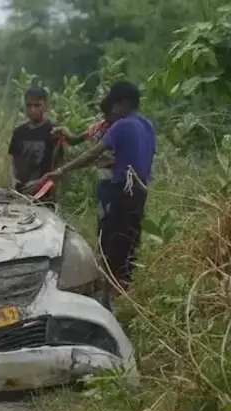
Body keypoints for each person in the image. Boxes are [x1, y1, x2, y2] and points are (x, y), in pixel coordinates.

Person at [33, 81, 156, 310]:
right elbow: (141, 158)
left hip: (118, 191)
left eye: (115, 103)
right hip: (140, 192)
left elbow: (92, 153)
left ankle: (108, 300)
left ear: (124, 103)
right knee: (130, 240)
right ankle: (124, 294)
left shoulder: (121, 125)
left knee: (109, 242)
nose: (112, 109)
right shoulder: (146, 125)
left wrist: (62, 170)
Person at [52, 98, 118, 234]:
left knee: (117, 221)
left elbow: (91, 155)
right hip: (105, 180)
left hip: (121, 182)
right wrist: (64, 132)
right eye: (104, 114)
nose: (106, 118)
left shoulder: (122, 130)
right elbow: (75, 140)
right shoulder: (100, 127)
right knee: (104, 219)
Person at [8, 87, 62, 201]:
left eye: (37, 105)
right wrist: (13, 179)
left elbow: (59, 166)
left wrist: (42, 182)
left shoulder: (54, 130)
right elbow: (14, 161)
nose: (33, 110)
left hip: (45, 195)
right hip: (21, 192)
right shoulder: (19, 132)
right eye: (29, 105)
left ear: (46, 106)